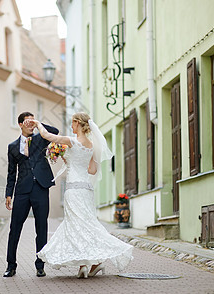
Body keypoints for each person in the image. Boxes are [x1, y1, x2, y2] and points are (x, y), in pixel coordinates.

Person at [24, 112, 133, 278]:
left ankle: (91, 262)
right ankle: (87, 263)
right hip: (86, 189)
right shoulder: (91, 145)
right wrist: (72, 162)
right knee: (86, 223)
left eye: (72, 123)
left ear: (77, 123)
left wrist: (38, 123)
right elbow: (93, 170)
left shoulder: (71, 141)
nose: (71, 126)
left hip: (74, 189)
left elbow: (47, 135)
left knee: (76, 225)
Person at [4, 112, 59, 278]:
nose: (30, 124)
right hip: (22, 190)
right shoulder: (12, 146)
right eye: (27, 121)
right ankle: (11, 265)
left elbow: (55, 131)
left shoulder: (41, 138)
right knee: (15, 229)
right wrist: (8, 194)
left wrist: (38, 123)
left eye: (31, 121)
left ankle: (40, 265)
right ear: (20, 124)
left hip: (41, 188)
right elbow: (11, 172)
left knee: (41, 227)